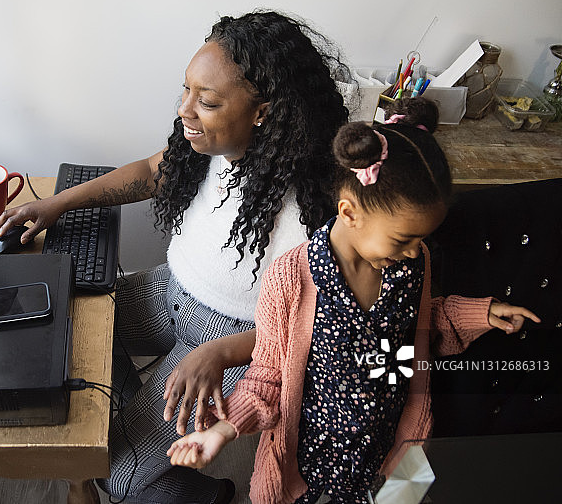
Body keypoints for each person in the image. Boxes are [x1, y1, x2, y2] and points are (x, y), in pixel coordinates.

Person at [0, 10, 351, 503]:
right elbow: (147, 172)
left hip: (234, 340)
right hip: (169, 291)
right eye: (186, 90)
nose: (185, 110)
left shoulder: (317, 208)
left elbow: (307, 328)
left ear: (263, 112)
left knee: (114, 473)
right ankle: (139, 417)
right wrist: (58, 204)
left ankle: (204, 493)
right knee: (62, 323)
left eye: (207, 101)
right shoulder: (206, 146)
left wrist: (217, 354)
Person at [167, 98, 540, 503]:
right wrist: (222, 431)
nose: (414, 250)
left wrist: (481, 313)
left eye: (421, 239)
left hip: (397, 444)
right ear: (348, 212)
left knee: (405, 497)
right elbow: (268, 376)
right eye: (403, 239)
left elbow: (417, 327)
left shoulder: (413, 263)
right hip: (311, 457)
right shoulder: (291, 278)